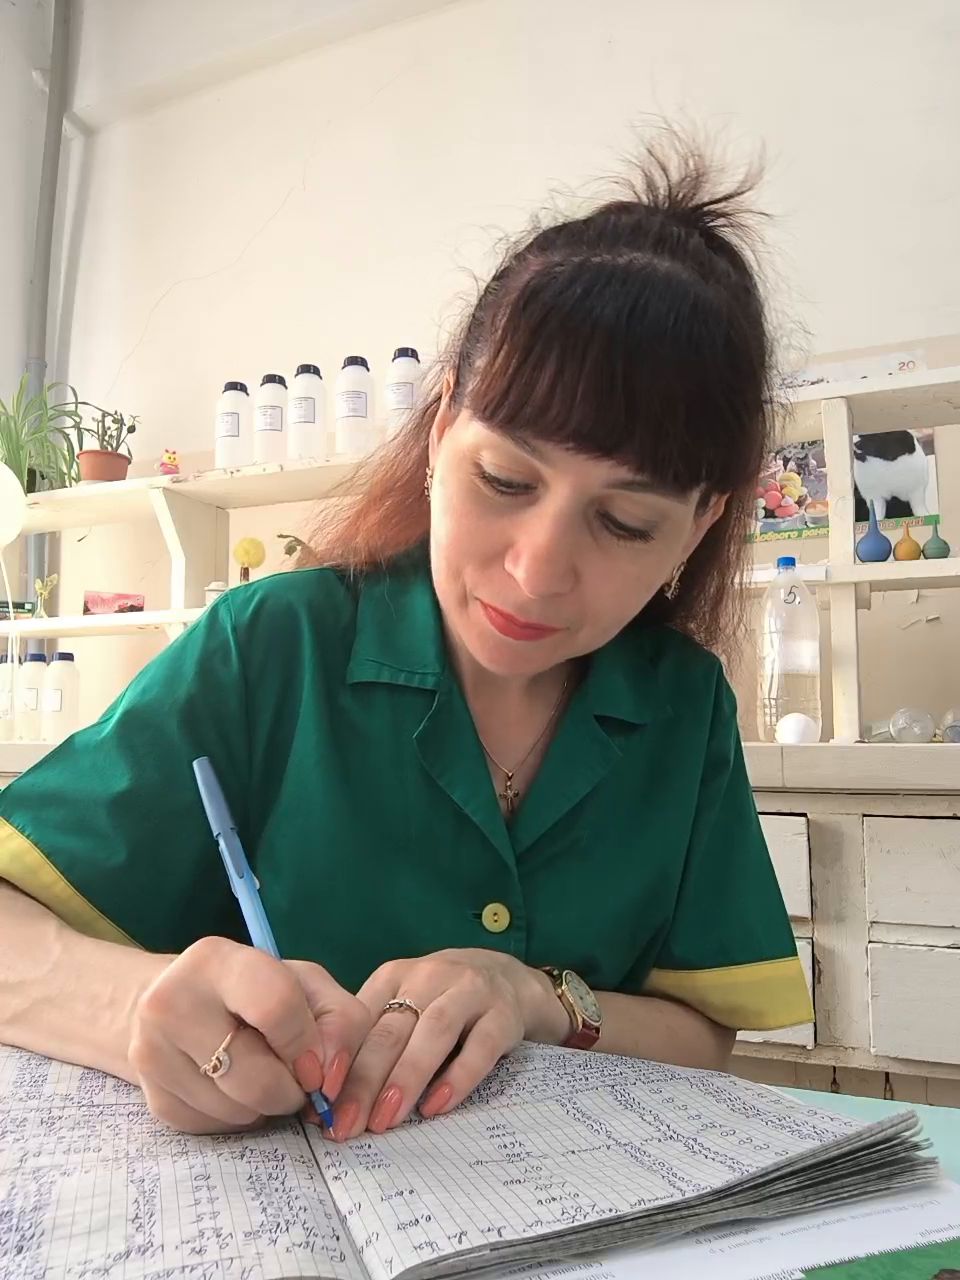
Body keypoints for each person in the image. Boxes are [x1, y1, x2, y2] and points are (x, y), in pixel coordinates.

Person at [0, 137, 812, 1142]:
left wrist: (537, 997)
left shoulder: (682, 703)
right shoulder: (274, 646)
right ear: (438, 435)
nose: (537, 570)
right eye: (504, 480)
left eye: (625, 522)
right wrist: (137, 1010)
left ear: (698, 526)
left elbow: (705, 1034)